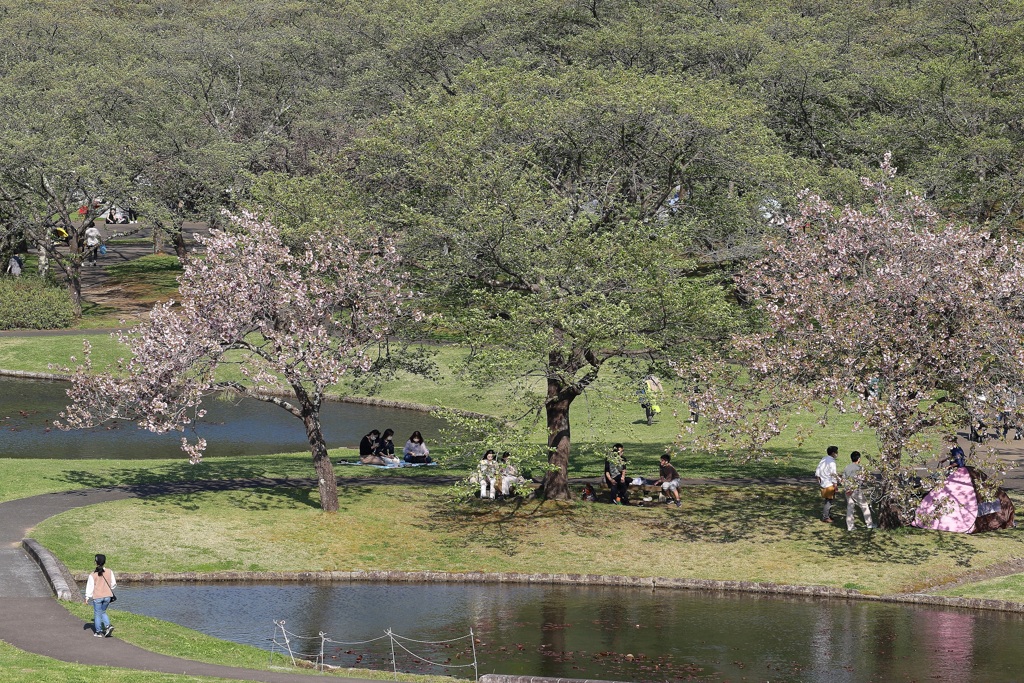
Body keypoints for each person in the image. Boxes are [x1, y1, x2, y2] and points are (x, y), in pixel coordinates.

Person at [842, 451, 876, 531]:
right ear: (859, 459)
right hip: (856, 490)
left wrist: (847, 488)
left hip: (847, 490)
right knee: (864, 506)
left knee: (850, 508)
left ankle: (850, 526)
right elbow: (861, 480)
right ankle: (869, 524)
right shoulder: (860, 468)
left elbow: (843, 479)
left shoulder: (847, 467)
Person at [84, 553, 116, 637]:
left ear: (96, 562)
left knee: (97, 614)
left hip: (98, 597)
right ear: (104, 562)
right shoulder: (109, 571)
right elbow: (113, 584)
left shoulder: (92, 574)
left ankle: (98, 632)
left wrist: (87, 597)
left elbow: (90, 587)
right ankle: (108, 626)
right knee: (103, 611)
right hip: (108, 596)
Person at [815, 445, 839, 523]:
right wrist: (835, 484)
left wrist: (819, 480)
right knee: (829, 501)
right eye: (836, 452)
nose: (837, 454)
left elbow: (818, 470)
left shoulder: (824, 459)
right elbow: (833, 474)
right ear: (833, 453)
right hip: (829, 483)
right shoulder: (832, 462)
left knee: (828, 500)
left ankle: (828, 514)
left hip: (823, 482)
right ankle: (825, 517)